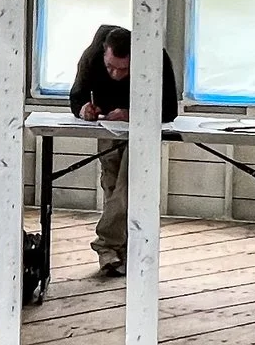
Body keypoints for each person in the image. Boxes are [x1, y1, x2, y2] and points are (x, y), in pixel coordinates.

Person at [68, 23, 180, 277]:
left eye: (124, 69)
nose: (116, 74)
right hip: (108, 126)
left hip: (142, 128)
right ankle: (124, 252)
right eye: (110, 68)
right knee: (111, 185)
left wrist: (132, 113)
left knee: (128, 186)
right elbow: (76, 94)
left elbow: (170, 108)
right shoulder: (92, 55)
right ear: (104, 53)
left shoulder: (156, 56)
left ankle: (106, 244)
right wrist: (84, 108)